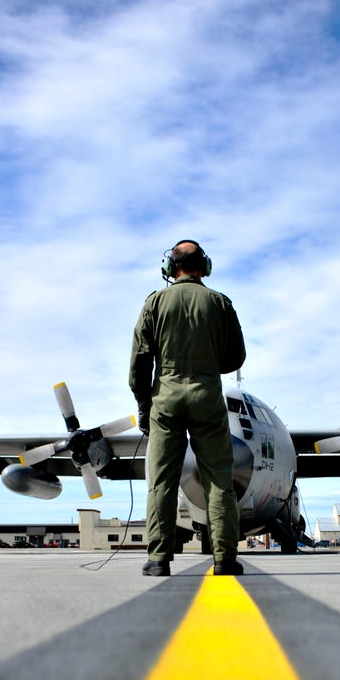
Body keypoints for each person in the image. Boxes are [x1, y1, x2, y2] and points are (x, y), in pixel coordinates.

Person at [129, 239, 246, 576]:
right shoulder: (219, 303)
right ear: (203, 267)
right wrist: (207, 366)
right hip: (207, 397)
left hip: (164, 400)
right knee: (219, 481)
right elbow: (235, 358)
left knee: (162, 481)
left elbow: (139, 362)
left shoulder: (155, 302)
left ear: (171, 267)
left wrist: (144, 405)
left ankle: (158, 560)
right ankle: (224, 559)